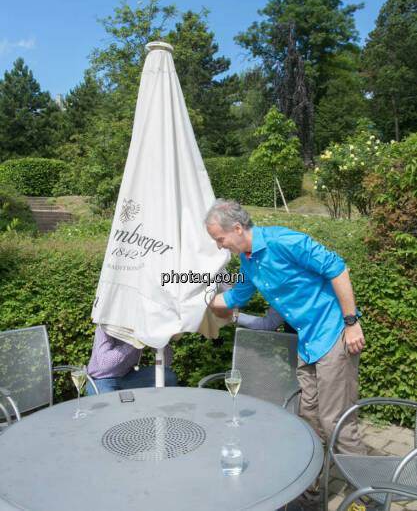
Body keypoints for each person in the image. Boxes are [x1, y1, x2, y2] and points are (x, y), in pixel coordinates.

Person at [205, 199, 366, 500]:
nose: (219, 246)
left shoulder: (285, 241)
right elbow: (232, 300)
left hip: (332, 335)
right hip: (307, 343)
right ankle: (312, 493)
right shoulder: (248, 263)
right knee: (309, 420)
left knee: (337, 422)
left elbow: (338, 268)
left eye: (220, 239)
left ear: (237, 229)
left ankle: (369, 497)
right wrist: (194, 303)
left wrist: (352, 322)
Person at [86, 325, 177, 395]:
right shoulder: (105, 326)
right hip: (101, 379)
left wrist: (158, 341)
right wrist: (134, 342)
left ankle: (154, 410)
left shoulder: (141, 325)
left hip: (128, 375)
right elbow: (104, 364)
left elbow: (166, 362)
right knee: (111, 408)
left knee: (168, 376)